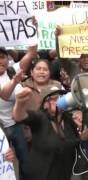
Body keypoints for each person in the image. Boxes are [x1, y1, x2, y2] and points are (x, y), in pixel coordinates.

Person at [13, 85, 88, 180]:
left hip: (64, 173)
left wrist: (83, 128)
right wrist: (20, 103)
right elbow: (19, 116)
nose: (59, 101)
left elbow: (84, 137)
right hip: (41, 174)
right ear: (45, 104)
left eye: (61, 97)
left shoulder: (69, 119)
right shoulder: (40, 118)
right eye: (54, 98)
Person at [0, 46, 37, 180]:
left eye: (2, 57)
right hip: (1, 130)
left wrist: (35, 30)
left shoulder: (11, 71)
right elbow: (4, 94)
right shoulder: (13, 77)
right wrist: (15, 81)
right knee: (4, 165)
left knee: (26, 163)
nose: (0, 61)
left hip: (17, 125)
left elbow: (30, 54)